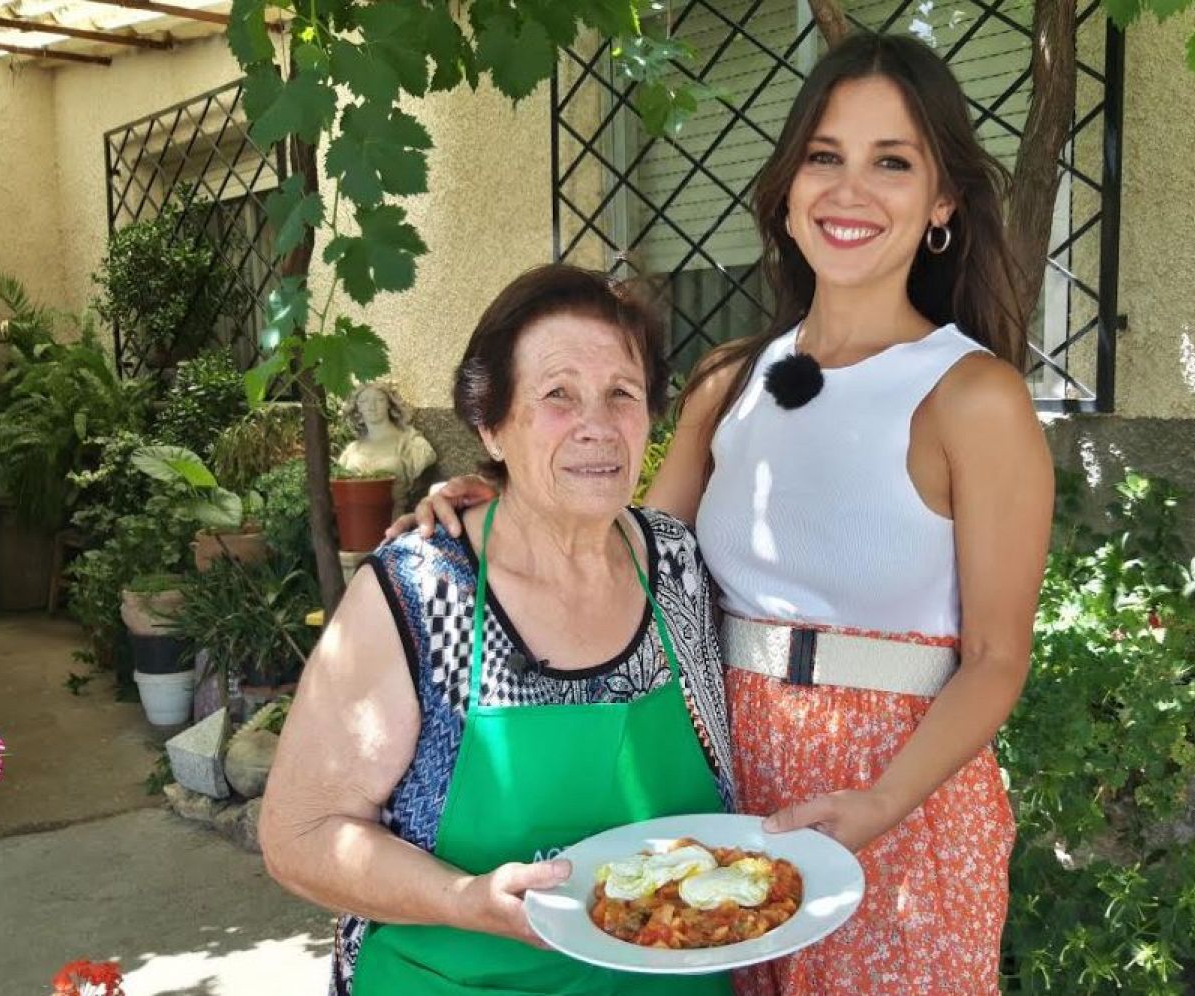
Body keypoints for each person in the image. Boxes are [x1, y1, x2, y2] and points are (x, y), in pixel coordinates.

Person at [404, 31, 1053, 995]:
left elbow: (999, 658)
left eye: (893, 163)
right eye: (824, 156)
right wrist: (501, 497)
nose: (849, 190)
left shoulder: (972, 396)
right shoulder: (729, 383)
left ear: (943, 203)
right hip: (715, 763)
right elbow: (631, 556)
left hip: (898, 791)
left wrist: (878, 803)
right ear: (788, 186)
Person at [262, 264, 735, 996]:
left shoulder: (675, 563)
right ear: (490, 424)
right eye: (557, 396)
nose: (598, 426)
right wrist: (462, 900)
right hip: (458, 978)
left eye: (622, 394)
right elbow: (298, 838)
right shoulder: (417, 593)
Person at [336, 381, 438, 513]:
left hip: (394, 519)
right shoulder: (352, 450)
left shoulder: (411, 444)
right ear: (357, 407)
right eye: (364, 401)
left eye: (379, 400)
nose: (372, 406)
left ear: (389, 404)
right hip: (356, 522)